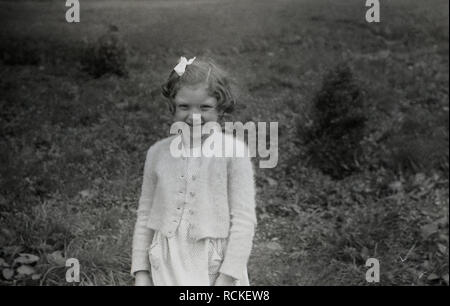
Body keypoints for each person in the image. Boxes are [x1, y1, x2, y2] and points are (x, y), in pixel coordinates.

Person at [130, 56, 257, 286]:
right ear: (172, 106)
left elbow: (244, 220)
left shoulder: (234, 153)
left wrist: (227, 276)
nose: (193, 116)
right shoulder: (157, 153)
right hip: (166, 262)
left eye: (205, 107)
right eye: (184, 106)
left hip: (213, 264)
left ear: (220, 108)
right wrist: (141, 270)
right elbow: (145, 214)